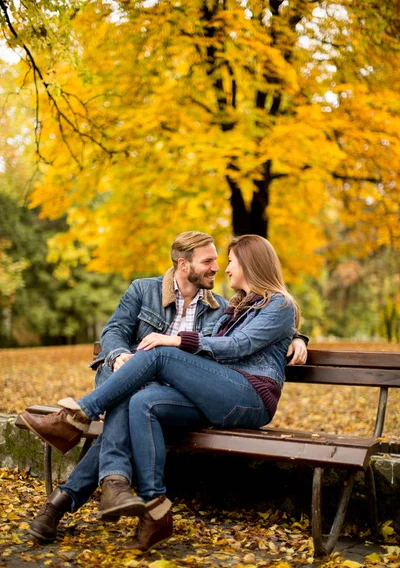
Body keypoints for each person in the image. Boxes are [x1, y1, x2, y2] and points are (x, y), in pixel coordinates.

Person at [21, 234, 305, 550]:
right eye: (211, 261)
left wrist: (297, 337)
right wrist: (121, 357)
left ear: (251, 264)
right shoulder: (229, 305)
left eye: (228, 262)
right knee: (141, 400)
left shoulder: (255, 305)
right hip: (195, 390)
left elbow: (246, 342)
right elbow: (115, 332)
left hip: (248, 396)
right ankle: (155, 510)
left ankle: (75, 425)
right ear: (184, 264)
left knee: (159, 353)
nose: (221, 269)